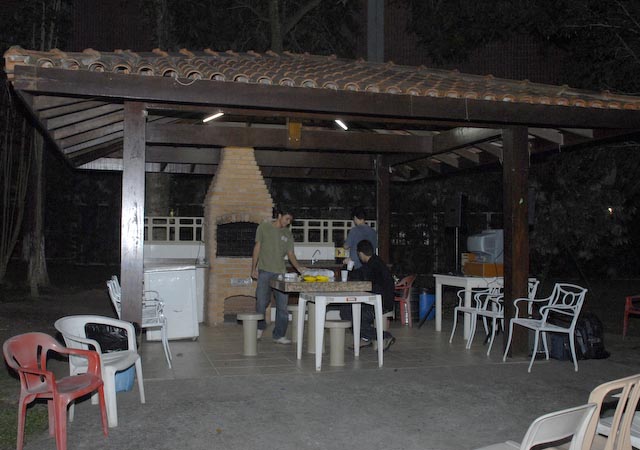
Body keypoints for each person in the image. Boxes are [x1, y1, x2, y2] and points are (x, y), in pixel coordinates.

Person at [251, 208, 306, 344]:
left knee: (282, 306)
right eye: (287, 219)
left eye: (290, 220)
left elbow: (291, 254)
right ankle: (259, 328)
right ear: (279, 216)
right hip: (264, 271)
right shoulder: (264, 227)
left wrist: (299, 268)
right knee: (261, 302)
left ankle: (279, 335)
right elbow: (257, 247)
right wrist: (253, 268)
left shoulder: (287, 233)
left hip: (281, 273)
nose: (288, 222)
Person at [341, 239, 396, 351]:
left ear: (360, 253)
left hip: (381, 304)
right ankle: (366, 337)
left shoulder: (372, 265)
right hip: (382, 301)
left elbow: (355, 277)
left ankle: (384, 336)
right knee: (348, 310)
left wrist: (348, 265)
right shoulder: (376, 262)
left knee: (348, 313)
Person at [343, 207, 377, 279]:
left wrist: (345, 242)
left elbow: (346, 246)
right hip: (370, 266)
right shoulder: (373, 232)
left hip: (355, 266)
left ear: (355, 218)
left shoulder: (354, 231)